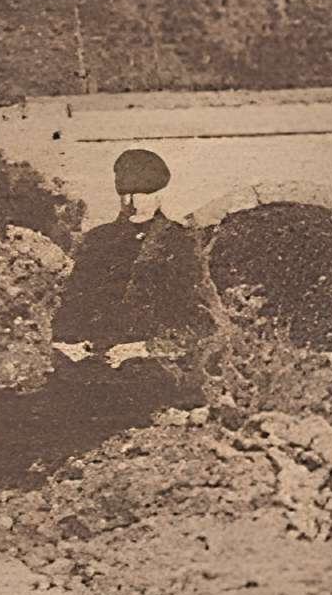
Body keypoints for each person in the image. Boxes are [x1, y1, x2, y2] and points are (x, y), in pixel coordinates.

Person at [51, 148, 220, 410]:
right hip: (92, 364)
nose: (132, 204)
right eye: (125, 195)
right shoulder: (98, 241)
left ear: (161, 195)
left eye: (143, 195)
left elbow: (198, 320)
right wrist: (72, 343)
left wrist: (141, 349)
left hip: (155, 364)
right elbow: (74, 304)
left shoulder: (182, 244)